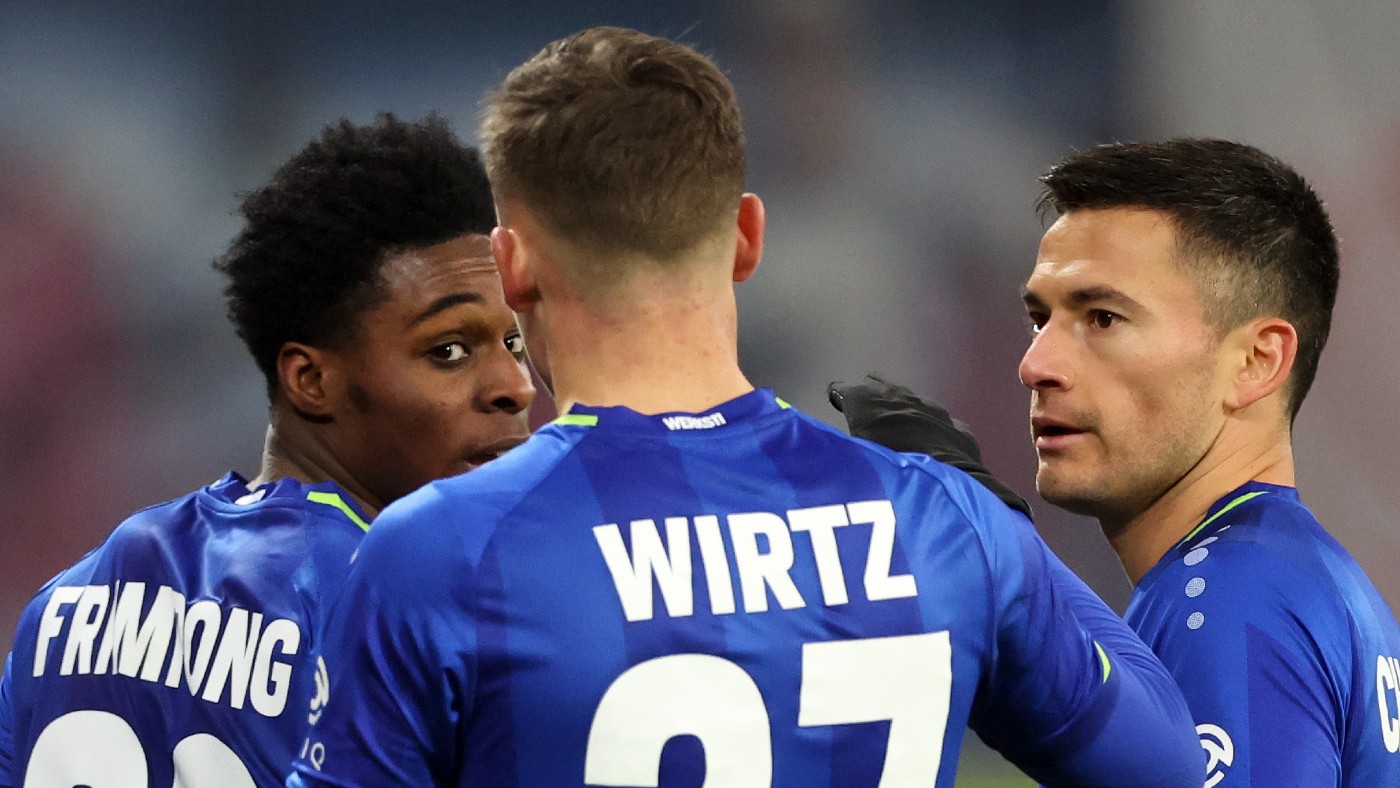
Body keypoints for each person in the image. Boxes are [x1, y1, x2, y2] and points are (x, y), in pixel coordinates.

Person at [287, 27, 1201, 787]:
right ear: (748, 237)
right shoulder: (946, 524)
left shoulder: (441, 550)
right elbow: (1173, 764)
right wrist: (998, 518)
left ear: (511, 266)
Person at [840, 138, 1400, 786]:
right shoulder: (1302, 580)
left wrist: (998, 545)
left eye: (1103, 318)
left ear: (1255, 361)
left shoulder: (1224, 603)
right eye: (1040, 320)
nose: (1035, 365)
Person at [0, 113, 535, 787]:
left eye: (515, 342)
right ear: (311, 380)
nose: (515, 387)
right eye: (448, 351)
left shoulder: (66, 602)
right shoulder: (406, 613)